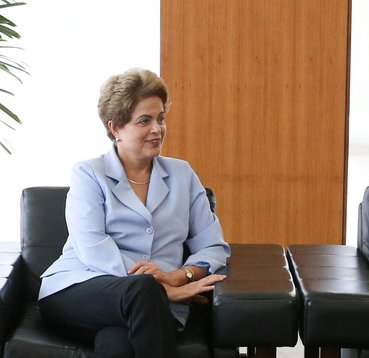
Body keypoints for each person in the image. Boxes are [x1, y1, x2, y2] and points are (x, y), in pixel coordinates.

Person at [38, 68, 231, 357]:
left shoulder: (182, 174)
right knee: (141, 292)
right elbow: (93, 249)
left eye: (161, 118)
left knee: (118, 344)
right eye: (144, 121)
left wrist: (179, 277)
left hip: (146, 309)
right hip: (79, 290)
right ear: (115, 128)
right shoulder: (89, 174)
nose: (157, 129)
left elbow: (213, 245)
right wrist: (156, 287)